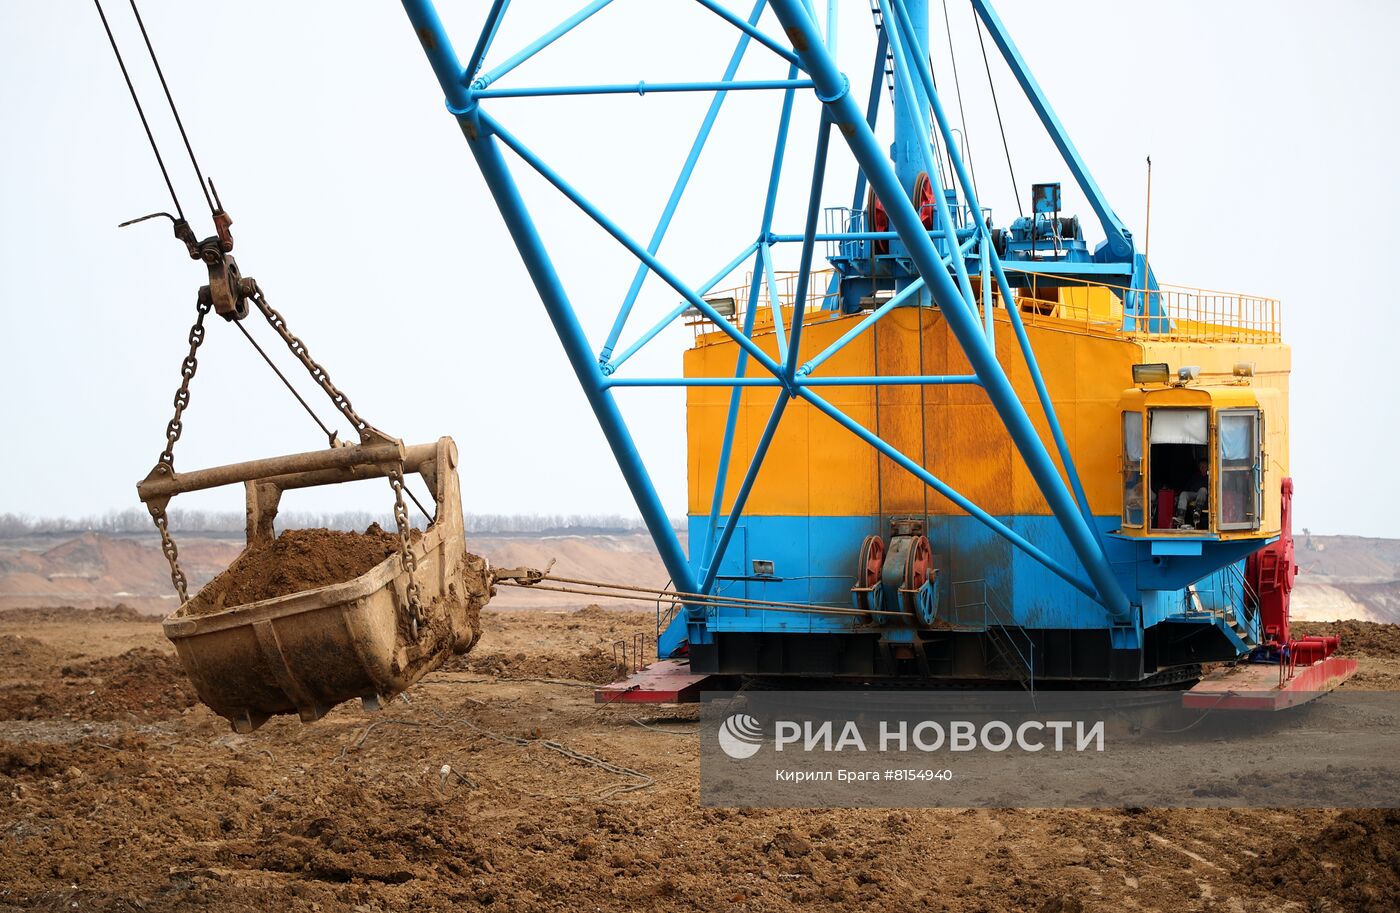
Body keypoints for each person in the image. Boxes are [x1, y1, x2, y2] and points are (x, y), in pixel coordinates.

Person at [1175, 458, 1209, 527]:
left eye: (1204, 466)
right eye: (1201, 466)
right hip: (1193, 495)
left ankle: (1197, 511)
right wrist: (1178, 496)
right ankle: (1180, 517)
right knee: (1184, 493)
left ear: (1207, 468)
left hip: (1204, 496)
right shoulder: (1195, 476)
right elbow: (1187, 487)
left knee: (1203, 490)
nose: (1202, 468)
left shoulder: (1210, 477)